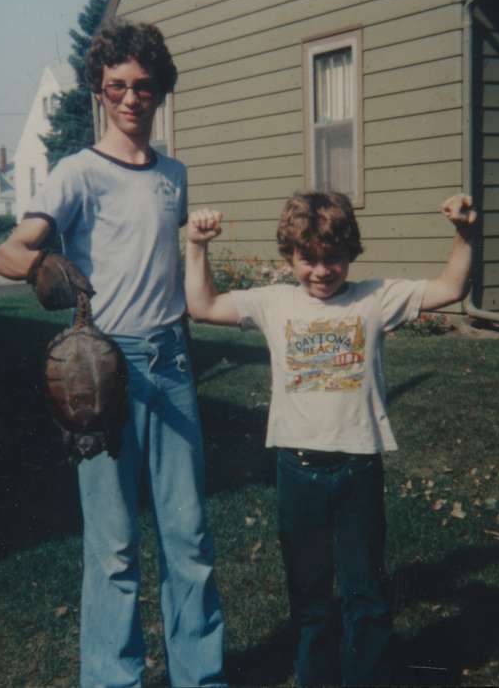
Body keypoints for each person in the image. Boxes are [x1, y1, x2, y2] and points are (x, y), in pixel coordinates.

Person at [0, 19, 225, 688]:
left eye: (143, 88)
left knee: (188, 539)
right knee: (115, 546)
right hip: (102, 370)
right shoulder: (76, 173)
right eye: (117, 87)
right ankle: (112, 679)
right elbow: (9, 251)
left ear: (160, 93)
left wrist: (200, 242)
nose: (131, 99)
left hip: (171, 363)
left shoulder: (171, 175)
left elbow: (164, 262)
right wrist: (42, 266)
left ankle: (200, 676)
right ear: (100, 91)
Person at [184, 191, 477, 686]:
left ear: (351, 254)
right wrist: (196, 245)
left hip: (358, 467)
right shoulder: (274, 301)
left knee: (365, 593)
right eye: (308, 260)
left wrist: (466, 233)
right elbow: (203, 305)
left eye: (333, 258)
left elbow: (450, 287)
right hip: (297, 471)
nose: (321, 271)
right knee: (311, 596)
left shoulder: (374, 298)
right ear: (290, 257)